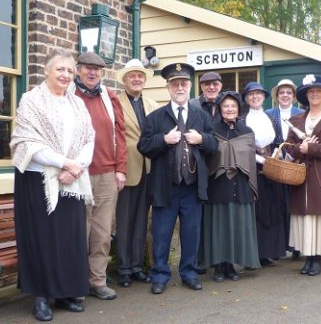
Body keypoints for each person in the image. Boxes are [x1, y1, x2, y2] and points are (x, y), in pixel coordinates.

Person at [10, 49, 94, 321]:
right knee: (42, 239)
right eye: (60, 69)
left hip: (71, 181)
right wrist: (65, 163)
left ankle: (67, 292)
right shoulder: (31, 100)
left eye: (70, 71)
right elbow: (27, 142)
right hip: (38, 181)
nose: (65, 75)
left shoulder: (77, 104)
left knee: (69, 238)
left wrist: (76, 167)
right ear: (47, 70)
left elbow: (89, 139)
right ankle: (42, 297)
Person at [138, 63, 217, 294]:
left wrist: (201, 139)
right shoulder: (155, 117)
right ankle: (160, 275)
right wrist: (164, 140)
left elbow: (214, 145)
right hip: (166, 187)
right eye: (175, 84)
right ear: (168, 87)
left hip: (192, 187)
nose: (179, 87)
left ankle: (189, 273)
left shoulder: (201, 116)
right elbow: (143, 146)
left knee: (191, 233)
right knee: (162, 233)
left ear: (190, 86)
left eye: (183, 83)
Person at [70, 52, 127, 301]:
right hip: (77, 173)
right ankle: (76, 283)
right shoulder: (68, 95)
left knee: (102, 233)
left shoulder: (109, 96)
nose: (92, 73)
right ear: (78, 70)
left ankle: (97, 280)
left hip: (106, 173)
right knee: (78, 231)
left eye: (97, 69)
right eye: (87, 68)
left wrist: (120, 169)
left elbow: (121, 135)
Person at [284, 74, 321, 275]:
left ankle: (317, 258)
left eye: (318, 91)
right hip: (301, 175)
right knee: (305, 215)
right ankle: (308, 256)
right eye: (311, 92)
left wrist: (313, 149)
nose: (314, 94)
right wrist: (301, 149)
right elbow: (289, 146)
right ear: (306, 95)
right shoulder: (296, 119)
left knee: (320, 214)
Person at [204, 91, 261, 282]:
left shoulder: (246, 132)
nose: (229, 109)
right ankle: (219, 265)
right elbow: (208, 157)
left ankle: (231, 265)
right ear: (220, 109)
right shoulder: (211, 130)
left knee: (236, 226)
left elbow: (250, 160)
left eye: (233, 107)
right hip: (218, 185)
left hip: (241, 184)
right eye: (226, 106)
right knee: (219, 227)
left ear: (238, 110)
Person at [115, 59, 159, 287]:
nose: (136, 79)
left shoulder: (152, 104)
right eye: (132, 75)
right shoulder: (115, 102)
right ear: (124, 79)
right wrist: (117, 168)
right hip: (127, 169)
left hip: (149, 169)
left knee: (141, 221)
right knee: (125, 222)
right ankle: (123, 269)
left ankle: (136, 266)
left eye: (140, 76)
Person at [241, 82, 286, 266]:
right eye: (251, 94)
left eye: (258, 93)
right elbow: (243, 148)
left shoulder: (271, 118)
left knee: (274, 209)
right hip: (253, 171)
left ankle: (272, 251)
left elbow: (279, 142)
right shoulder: (242, 120)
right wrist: (261, 161)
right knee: (257, 212)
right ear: (246, 98)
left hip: (273, 170)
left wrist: (277, 156)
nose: (255, 97)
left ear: (263, 97)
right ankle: (257, 254)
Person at [265, 79, 305, 259]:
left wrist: (291, 154)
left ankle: (296, 245)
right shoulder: (269, 114)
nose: (285, 95)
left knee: (295, 204)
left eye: (289, 92)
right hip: (275, 163)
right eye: (282, 92)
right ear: (277, 96)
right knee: (276, 204)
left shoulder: (302, 114)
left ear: (294, 96)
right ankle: (279, 246)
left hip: (295, 163)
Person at [189, 71, 223, 274]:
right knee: (197, 215)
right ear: (201, 86)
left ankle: (218, 256)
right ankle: (198, 258)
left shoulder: (228, 103)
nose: (211, 87)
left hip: (221, 166)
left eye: (215, 84)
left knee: (217, 213)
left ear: (220, 85)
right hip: (199, 165)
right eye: (207, 84)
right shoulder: (193, 106)